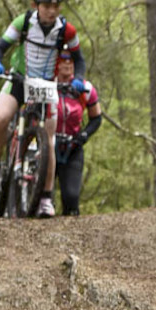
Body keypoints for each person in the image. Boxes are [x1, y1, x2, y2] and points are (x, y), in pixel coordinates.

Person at [0, 0, 85, 218]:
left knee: (49, 140)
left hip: (46, 85)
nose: (52, 11)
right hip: (20, 80)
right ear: (35, 5)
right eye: (47, 6)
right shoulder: (23, 22)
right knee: (1, 117)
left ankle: (45, 198)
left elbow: (79, 59)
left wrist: (79, 79)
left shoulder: (67, 30)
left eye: (56, 6)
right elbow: (0, 46)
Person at [52, 52, 102, 216]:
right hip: (47, 147)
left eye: (71, 61)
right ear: (56, 63)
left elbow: (96, 118)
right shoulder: (46, 84)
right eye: (63, 60)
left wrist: (84, 135)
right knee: (42, 198)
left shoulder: (85, 88)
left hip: (72, 147)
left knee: (71, 198)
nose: (67, 64)